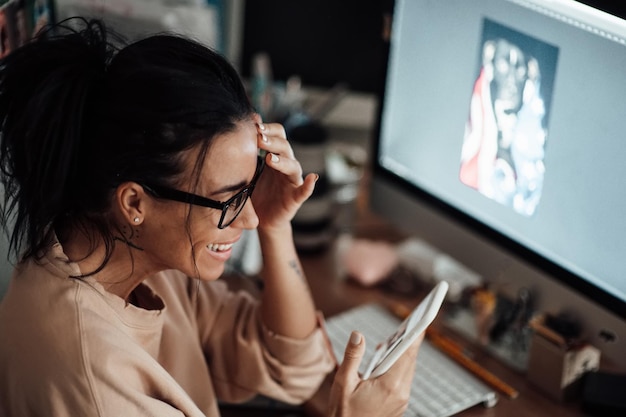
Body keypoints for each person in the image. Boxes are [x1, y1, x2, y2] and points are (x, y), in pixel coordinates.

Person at [0, 17, 422, 417]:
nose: (248, 220)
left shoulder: (129, 253)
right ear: (134, 204)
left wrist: (275, 224)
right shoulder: (92, 376)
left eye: (248, 189)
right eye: (228, 201)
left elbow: (294, 371)